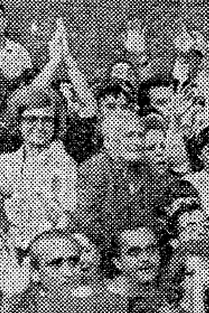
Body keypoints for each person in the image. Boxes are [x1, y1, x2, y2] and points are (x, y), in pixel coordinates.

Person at [0, 97, 78, 253]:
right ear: (19, 123)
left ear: (55, 125)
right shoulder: (4, 161)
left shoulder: (64, 163)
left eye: (47, 120)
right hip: (7, 246)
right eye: (31, 119)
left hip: (48, 246)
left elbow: (66, 214)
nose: (39, 126)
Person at [71, 109, 169, 256]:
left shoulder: (147, 169)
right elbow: (85, 219)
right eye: (129, 136)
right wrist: (119, 249)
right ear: (110, 141)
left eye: (140, 135)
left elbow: (158, 210)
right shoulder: (96, 167)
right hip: (104, 252)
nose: (137, 142)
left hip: (142, 250)